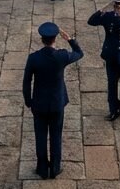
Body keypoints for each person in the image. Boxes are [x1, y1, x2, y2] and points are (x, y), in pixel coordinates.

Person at [22, 21, 82, 180]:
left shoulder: (34, 58)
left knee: (40, 136)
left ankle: (42, 168)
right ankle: (55, 168)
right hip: (57, 103)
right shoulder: (62, 56)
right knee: (56, 135)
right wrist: (70, 39)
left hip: (39, 104)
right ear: (55, 39)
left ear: (42, 39)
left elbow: (27, 81)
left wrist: (28, 101)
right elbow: (79, 53)